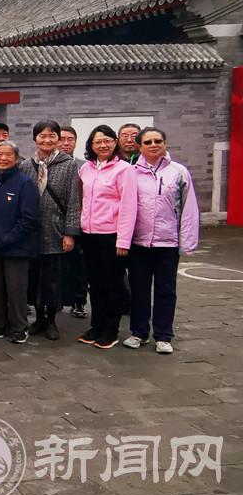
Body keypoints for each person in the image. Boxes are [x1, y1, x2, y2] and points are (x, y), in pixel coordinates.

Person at [125, 127, 198, 354]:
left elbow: (189, 208)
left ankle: (164, 336)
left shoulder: (178, 172)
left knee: (166, 291)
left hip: (168, 243)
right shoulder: (131, 173)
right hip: (139, 243)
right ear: (139, 147)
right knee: (139, 290)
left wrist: (187, 241)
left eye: (158, 141)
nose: (153, 145)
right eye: (148, 142)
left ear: (165, 143)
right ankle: (138, 332)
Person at [76, 125, 138, 349]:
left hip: (112, 236)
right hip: (89, 235)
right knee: (95, 284)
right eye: (97, 142)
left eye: (107, 140)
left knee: (113, 284)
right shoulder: (86, 169)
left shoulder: (124, 169)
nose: (102, 145)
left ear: (115, 142)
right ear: (91, 145)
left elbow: (129, 207)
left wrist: (123, 240)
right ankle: (97, 326)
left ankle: (111, 329)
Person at [20, 120, 82, 341]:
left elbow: (74, 201)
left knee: (53, 278)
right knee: (34, 277)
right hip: (32, 232)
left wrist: (70, 233)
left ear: (58, 139)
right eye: (42, 136)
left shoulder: (68, 165)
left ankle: (52, 320)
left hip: (56, 230)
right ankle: (39, 318)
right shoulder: (26, 165)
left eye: (51, 136)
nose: (47, 140)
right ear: (35, 138)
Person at [0, 141, 39, 343]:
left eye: (8, 155)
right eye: (0, 154)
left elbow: (28, 219)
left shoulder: (25, 183)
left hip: (17, 248)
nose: (3, 158)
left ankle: (20, 327)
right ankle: (0, 324)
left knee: (16, 290)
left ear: (16, 158)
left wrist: (9, 239)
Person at [57, 125, 87, 318]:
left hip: (80, 222)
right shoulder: (48, 164)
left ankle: (79, 301)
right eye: (62, 139)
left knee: (79, 265)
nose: (66, 143)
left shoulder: (84, 166)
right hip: (55, 222)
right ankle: (58, 299)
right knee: (57, 265)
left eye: (70, 139)